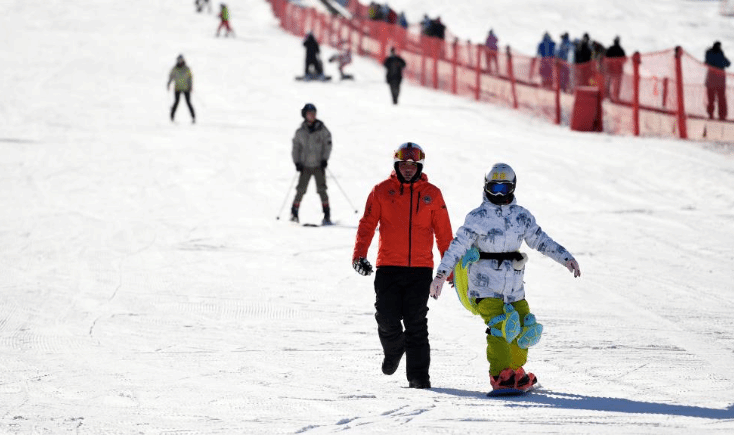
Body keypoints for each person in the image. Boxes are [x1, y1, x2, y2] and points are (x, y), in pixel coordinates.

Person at [428, 163, 581, 392]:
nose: (498, 193)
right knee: (501, 325)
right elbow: (456, 248)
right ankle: (499, 374)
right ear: (486, 186)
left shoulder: (522, 217)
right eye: (494, 187)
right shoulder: (477, 217)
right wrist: (440, 275)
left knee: (524, 326)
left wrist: (565, 258)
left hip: (514, 287)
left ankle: (515, 371)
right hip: (484, 286)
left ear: (512, 187)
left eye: (504, 188)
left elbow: (541, 240)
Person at [352, 142, 453, 389]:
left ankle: (419, 378)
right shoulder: (381, 191)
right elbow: (367, 224)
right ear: (396, 165)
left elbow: (444, 234)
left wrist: (450, 267)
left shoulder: (433, 193)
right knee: (386, 317)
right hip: (388, 267)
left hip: (420, 270)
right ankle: (395, 348)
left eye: (413, 165)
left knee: (416, 322)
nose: (408, 169)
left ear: (419, 167)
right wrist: (359, 256)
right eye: (403, 165)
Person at [290, 103, 332, 225]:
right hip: (305, 166)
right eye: (309, 114)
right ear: (304, 115)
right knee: (301, 189)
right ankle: (294, 212)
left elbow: (328, 143)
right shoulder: (300, 131)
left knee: (322, 189)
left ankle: (327, 214)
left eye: (314, 113)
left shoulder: (321, 129)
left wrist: (325, 159)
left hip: (319, 165)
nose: (312, 116)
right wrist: (297, 162)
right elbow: (295, 147)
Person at [705, 41, 731, 120]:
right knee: (721, 99)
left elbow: (706, 62)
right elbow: (728, 63)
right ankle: (722, 116)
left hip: (710, 80)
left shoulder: (709, 53)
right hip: (720, 81)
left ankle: (711, 114)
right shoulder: (720, 53)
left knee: (711, 99)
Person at [167, 54, 196, 123]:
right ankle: (172, 117)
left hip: (186, 88)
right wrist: (168, 84)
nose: (180, 61)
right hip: (178, 88)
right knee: (176, 102)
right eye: (178, 60)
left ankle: (193, 117)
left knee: (188, 102)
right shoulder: (175, 69)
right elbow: (171, 77)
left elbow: (190, 78)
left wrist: (190, 86)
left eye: (181, 60)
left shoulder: (186, 68)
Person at [604, 36, 627, 102]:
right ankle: (615, 97)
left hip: (611, 70)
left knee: (609, 84)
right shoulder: (621, 50)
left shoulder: (610, 48)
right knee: (616, 85)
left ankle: (609, 96)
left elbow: (605, 58)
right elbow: (624, 60)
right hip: (617, 71)